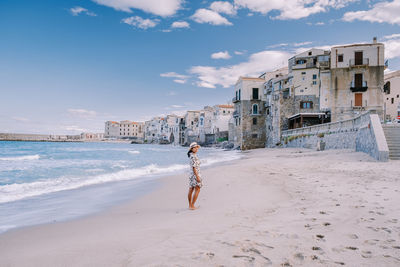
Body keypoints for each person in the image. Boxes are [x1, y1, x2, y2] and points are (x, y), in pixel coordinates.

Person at [187, 142, 202, 210]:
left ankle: (190, 205)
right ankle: (192, 205)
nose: (196, 149)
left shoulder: (192, 155)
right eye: (195, 147)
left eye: (197, 147)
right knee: (197, 189)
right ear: (191, 149)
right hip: (195, 174)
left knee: (191, 189)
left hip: (192, 174)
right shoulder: (193, 156)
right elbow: (194, 167)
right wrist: (197, 176)